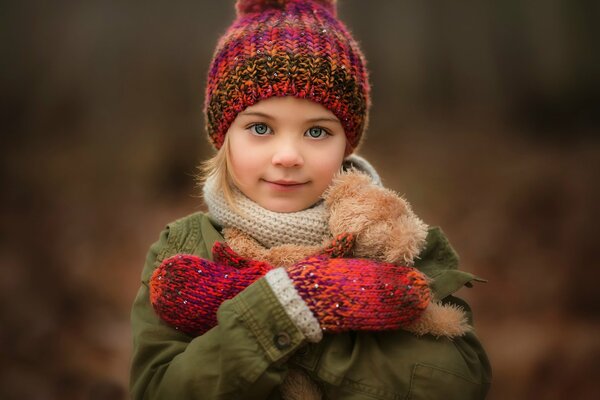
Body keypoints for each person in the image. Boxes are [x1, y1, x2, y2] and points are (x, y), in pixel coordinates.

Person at [129, 0, 492, 399]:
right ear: (224, 137)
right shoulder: (183, 251)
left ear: (346, 144)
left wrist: (311, 315)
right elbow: (157, 390)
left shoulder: (393, 243)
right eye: (260, 128)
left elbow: (459, 383)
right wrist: (284, 307)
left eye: (317, 132)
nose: (288, 156)